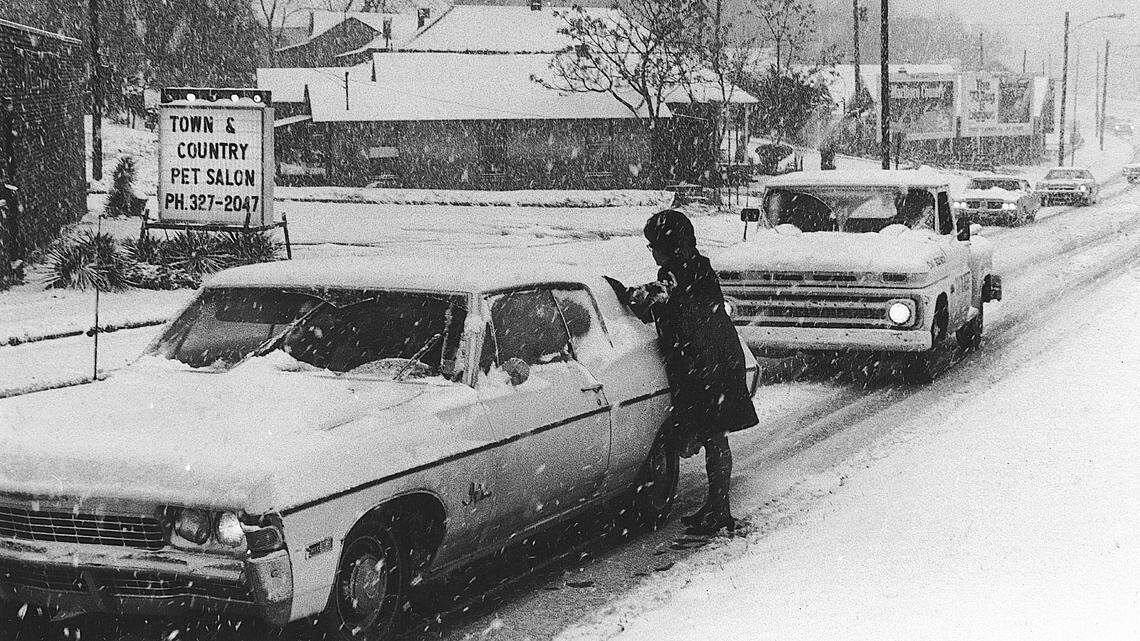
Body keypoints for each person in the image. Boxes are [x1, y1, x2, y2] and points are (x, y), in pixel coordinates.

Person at [626, 209, 760, 536]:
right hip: (714, 359)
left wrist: (621, 291)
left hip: (706, 365)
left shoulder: (678, 273)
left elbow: (646, 301)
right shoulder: (696, 265)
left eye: (652, 244)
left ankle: (719, 509)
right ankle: (717, 506)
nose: (651, 250)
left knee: (714, 435)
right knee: (715, 436)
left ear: (667, 245)